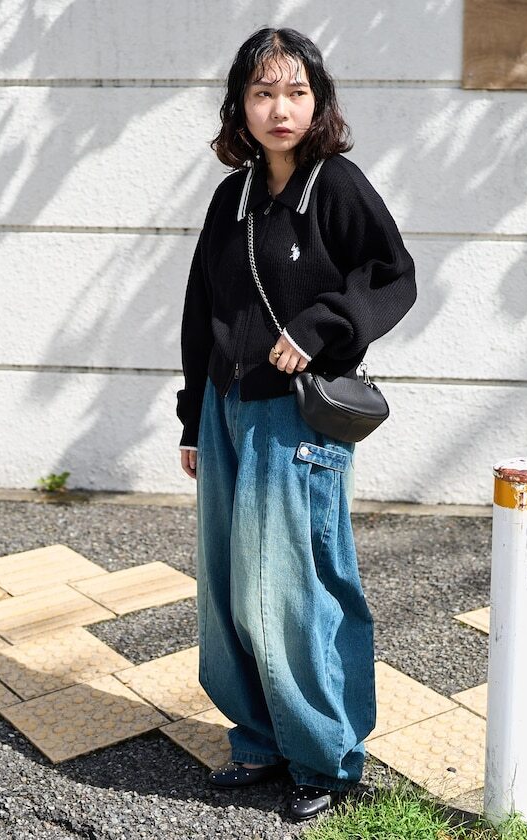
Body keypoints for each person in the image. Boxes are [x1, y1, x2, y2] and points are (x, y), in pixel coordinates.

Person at [176, 27, 416, 822]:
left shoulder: (336, 185)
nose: (281, 109)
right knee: (228, 588)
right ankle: (258, 737)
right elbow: (201, 310)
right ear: (240, 107)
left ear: (318, 102)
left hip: (297, 416)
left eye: (296, 92)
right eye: (263, 93)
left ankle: (324, 756)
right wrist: (191, 416)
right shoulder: (232, 197)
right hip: (226, 408)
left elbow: (392, 275)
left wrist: (318, 327)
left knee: (296, 585)